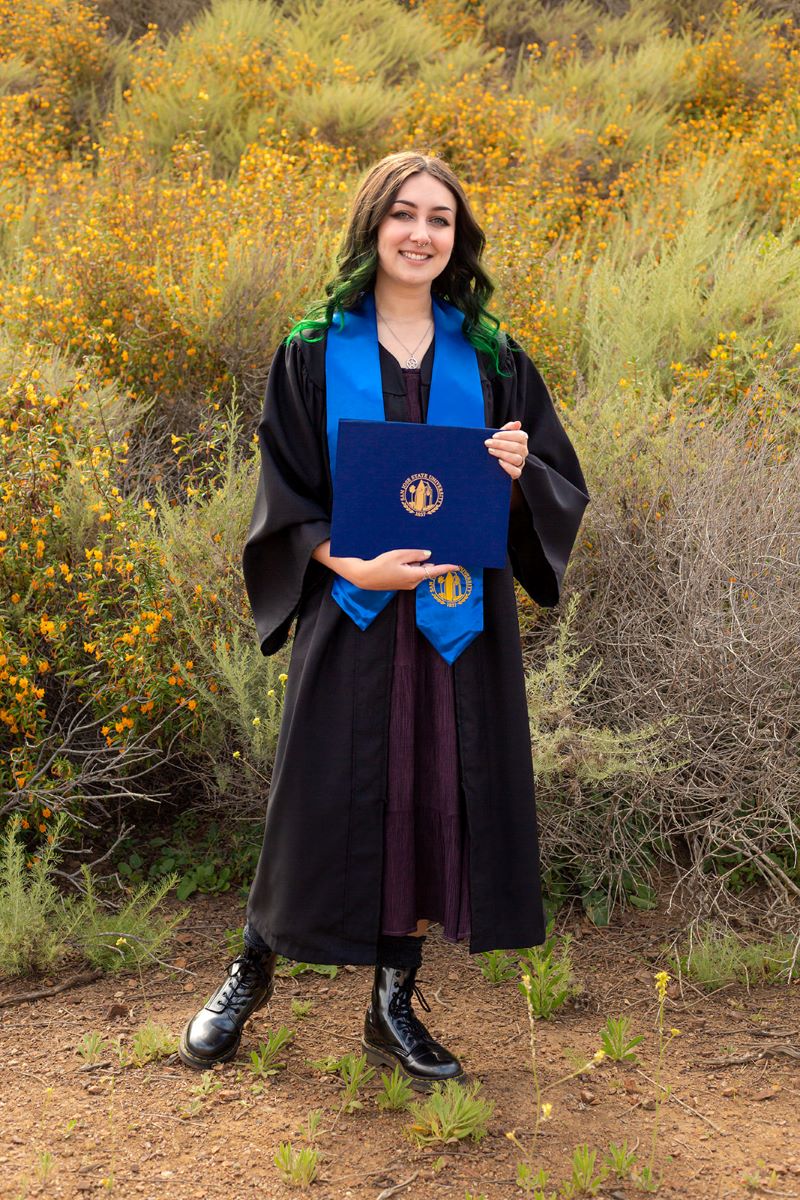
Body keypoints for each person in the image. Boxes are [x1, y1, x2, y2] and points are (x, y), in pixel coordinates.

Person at [179, 151, 590, 1088]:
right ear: (372, 226)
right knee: (315, 790)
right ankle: (251, 971)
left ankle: (392, 1003)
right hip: (353, 606)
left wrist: (523, 470)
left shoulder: (491, 355)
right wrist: (343, 560)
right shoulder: (314, 348)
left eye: (440, 219)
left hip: (456, 621)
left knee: (429, 790)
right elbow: (283, 491)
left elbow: (558, 484)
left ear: (459, 238)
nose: (420, 234)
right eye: (403, 214)